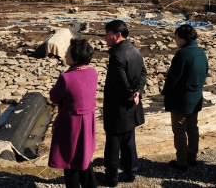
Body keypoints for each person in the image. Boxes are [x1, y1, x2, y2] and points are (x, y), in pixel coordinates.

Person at [48, 38, 98, 188]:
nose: (65, 54)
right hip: (88, 120)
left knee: (69, 160)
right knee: (84, 157)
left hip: (71, 123)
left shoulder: (66, 78)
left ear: (75, 58)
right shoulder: (93, 72)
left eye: (68, 52)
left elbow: (54, 98)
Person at [103, 20, 147, 187]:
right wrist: (138, 92)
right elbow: (143, 73)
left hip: (118, 107)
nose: (105, 37)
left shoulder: (116, 54)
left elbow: (121, 82)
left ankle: (111, 178)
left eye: (108, 34)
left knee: (113, 143)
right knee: (129, 141)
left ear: (118, 35)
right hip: (131, 105)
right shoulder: (135, 49)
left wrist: (132, 95)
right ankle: (131, 172)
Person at [161, 24, 208, 172]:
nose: (175, 40)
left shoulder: (182, 54)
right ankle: (192, 157)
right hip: (195, 98)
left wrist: (165, 93)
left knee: (180, 131)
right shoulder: (201, 52)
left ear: (183, 38)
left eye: (176, 37)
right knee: (192, 128)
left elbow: (173, 78)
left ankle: (181, 162)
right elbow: (205, 72)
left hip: (181, 100)